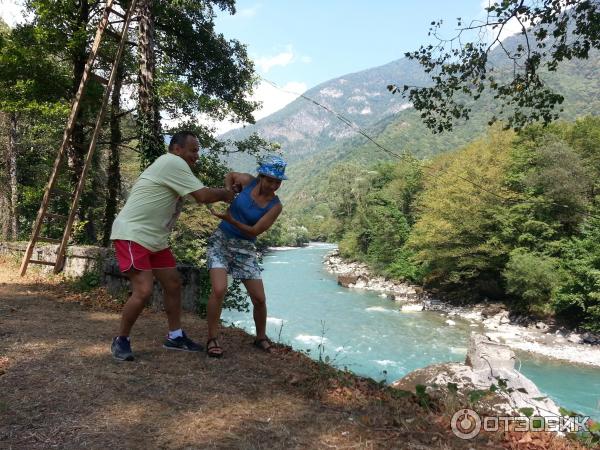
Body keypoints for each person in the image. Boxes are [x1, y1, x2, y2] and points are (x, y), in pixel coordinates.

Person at [109, 131, 234, 361]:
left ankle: (175, 336)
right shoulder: (171, 162)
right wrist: (227, 194)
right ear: (177, 149)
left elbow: (200, 197)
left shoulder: (176, 171)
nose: (197, 156)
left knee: (173, 283)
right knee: (144, 290)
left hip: (155, 239)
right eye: (193, 150)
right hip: (132, 234)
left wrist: (226, 194)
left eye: (198, 151)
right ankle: (121, 340)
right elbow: (203, 196)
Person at [205, 155, 287, 357]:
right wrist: (229, 192)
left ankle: (260, 337)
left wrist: (230, 219)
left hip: (245, 248)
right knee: (219, 289)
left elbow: (254, 231)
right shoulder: (247, 182)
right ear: (261, 177)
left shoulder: (275, 206)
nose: (273, 185)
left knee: (259, 299)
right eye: (270, 180)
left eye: (277, 182)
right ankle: (212, 338)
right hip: (221, 241)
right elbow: (230, 175)